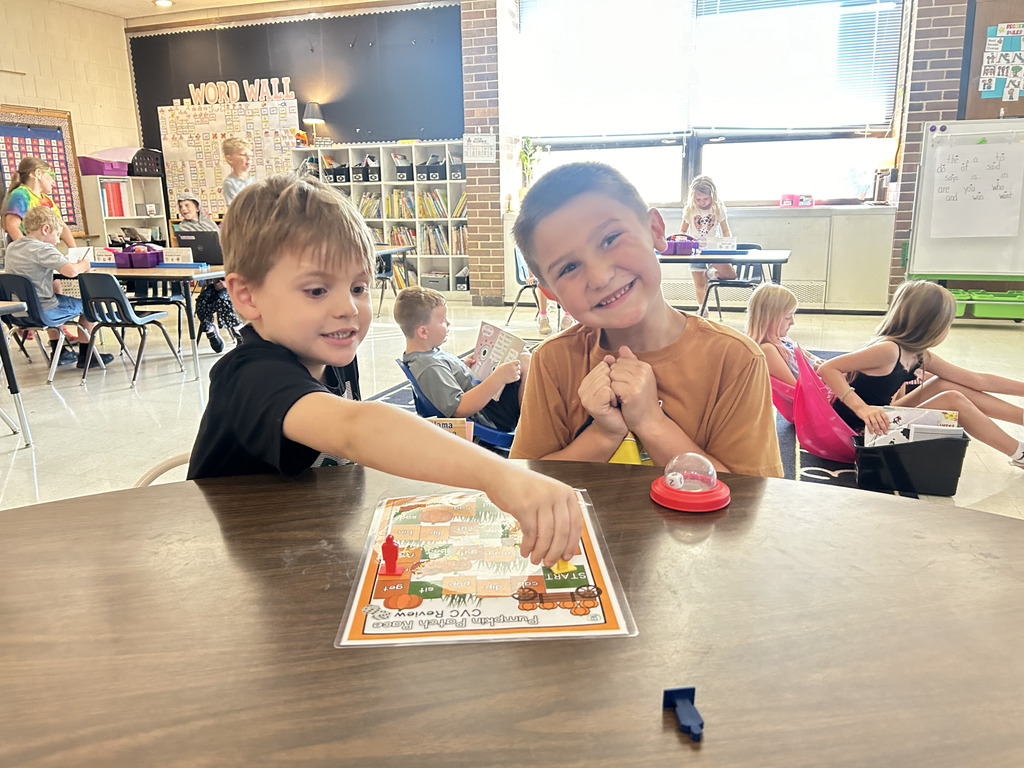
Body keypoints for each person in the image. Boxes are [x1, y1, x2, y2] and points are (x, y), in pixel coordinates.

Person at [187, 173, 583, 566]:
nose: (348, 308)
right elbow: (357, 429)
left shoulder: (333, 356)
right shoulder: (248, 375)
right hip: (244, 567)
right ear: (247, 296)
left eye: (358, 288)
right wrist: (499, 475)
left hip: (311, 543)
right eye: (317, 290)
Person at [508, 162, 783, 477]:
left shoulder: (736, 360)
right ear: (550, 292)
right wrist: (603, 434)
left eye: (610, 239)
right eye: (569, 268)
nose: (600, 276)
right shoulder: (553, 360)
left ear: (655, 230)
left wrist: (651, 422)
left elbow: (754, 498)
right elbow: (523, 484)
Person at [818, 280, 1024, 468]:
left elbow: (977, 380)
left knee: (944, 384)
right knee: (953, 399)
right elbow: (828, 368)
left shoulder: (918, 354)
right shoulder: (888, 350)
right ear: (932, 325)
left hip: (882, 416)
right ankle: (1020, 453)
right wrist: (862, 409)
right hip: (858, 428)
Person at [394, 285, 528, 432]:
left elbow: (443, 381)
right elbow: (459, 409)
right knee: (524, 360)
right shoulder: (429, 367)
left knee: (520, 354)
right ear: (423, 332)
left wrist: (462, 369)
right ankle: (530, 426)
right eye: (443, 321)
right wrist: (498, 378)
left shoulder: (427, 355)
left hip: (487, 405)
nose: (448, 323)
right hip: (491, 417)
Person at [3, 207, 113, 369]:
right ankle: (87, 355)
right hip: (43, 311)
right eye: (57, 235)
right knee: (89, 305)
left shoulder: (13, 247)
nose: (57, 240)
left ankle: (59, 351)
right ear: (45, 229)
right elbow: (71, 271)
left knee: (55, 290)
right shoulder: (43, 249)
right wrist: (85, 264)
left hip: (18, 312)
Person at [2, 156, 78, 363]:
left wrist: (75, 251)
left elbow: (61, 226)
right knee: (44, 293)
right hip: (29, 256)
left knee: (54, 288)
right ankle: (52, 334)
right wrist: (28, 249)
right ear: (37, 174)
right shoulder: (21, 194)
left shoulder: (45, 199)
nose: (53, 181)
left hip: (40, 254)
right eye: (51, 175)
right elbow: (11, 224)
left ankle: (57, 339)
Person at [176, 192, 242, 353]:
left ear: (197, 207)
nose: (184, 209)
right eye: (181, 206)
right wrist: (214, 280)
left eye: (187, 205)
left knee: (224, 299)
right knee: (202, 302)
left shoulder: (211, 226)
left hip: (230, 279)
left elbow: (229, 256)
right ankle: (211, 331)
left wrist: (226, 282)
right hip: (211, 277)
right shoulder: (183, 228)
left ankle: (240, 335)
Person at [744, 282, 823, 387]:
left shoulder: (784, 340)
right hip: (815, 391)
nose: (792, 322)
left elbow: (811, 357)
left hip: (819, 383)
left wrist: (819, 363)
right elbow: (796, 388)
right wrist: (825, 378)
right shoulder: (767, 349)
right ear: (769, 318)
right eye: (788, 317)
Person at [679, 175, 737, 313]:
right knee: (699, 284)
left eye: (705, 199)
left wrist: (727, 244)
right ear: (693, 197)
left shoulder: (718, 208)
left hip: (713, 249)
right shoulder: (690, 209)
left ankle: (710, 274)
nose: (702, 202)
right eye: (698, 199)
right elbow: (682, 231)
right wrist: (684, 241)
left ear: (712, 195)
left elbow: (725, 230)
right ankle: (702, 308)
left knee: (731, 275)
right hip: (696, 251)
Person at [221, 138, 254, 207]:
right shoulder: (230, 183)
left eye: (250, 155)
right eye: (243, 154)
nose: (249, 158)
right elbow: (234, 208)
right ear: (229, 159)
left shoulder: (253, 180)